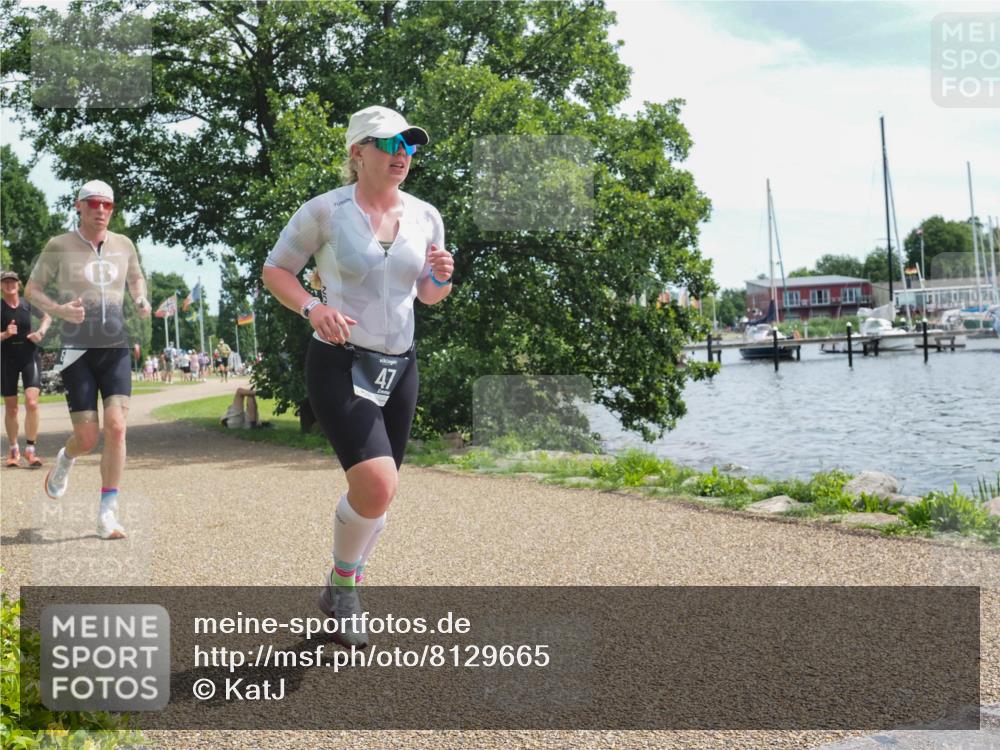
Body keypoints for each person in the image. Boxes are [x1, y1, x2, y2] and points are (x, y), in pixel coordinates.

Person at [262, 105, 453, 647]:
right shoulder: (325, 211)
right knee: (377, 483)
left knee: (380, 495)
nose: (401, 155)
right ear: (357, 152)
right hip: (341, 360)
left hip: (401, 364)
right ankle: (344, 587)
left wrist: (440, 278)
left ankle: (339, 583)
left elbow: (427, 297)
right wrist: (311, 309)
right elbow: (277, 269)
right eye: (388, 144)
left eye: (409, 146)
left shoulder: (425, 215)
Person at [25, 179, 152, 539]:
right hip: (77, 350)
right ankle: (65, 459)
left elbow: (136, 279)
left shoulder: (123, 245)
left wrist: (140, 300)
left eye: (108, 205)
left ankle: (107, 513)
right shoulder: (59, 246)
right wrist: (59, 310)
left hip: (115, 347)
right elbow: (33, 290)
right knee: (86, 437)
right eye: (94, 203)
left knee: (116, 427)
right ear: (79, 206)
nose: (101, 210)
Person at [2, 270, 52, 468]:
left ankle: (30, 450)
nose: (9, 285)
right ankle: (13, 449)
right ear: (0, 286)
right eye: (5, 282)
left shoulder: (27, 304)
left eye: (12, 281)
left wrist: (40, 332)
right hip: (6, 359)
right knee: (12, 408)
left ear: (19, 284)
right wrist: (4, 334)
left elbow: (47, 318)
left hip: (29, 356)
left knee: (32, 403)